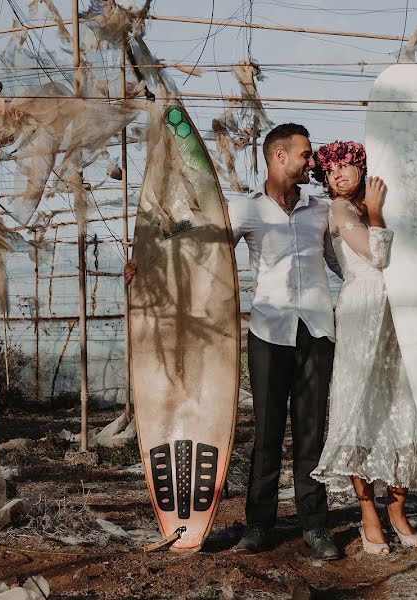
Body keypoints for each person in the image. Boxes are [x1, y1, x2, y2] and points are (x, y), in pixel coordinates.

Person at [126, 123, 343, 560]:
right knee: (265, 433)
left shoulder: (322, 211)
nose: (313, 161)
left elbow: (345, 264)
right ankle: (260, 525)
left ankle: (315, 526)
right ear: (279, 157)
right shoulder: (245, 210)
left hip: (317, 332)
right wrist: (147, 265)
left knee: (310, 433)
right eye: (306, 153)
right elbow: (197, 249)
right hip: (269, 333)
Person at [309, 140, 417, 555]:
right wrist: (375, 216)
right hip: (363, 311)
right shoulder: (341, 210)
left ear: (361, 166)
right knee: (357, 407)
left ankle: (398, 510)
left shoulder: (368, 207)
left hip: (396, 308)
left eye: (345, 165)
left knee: (403, 407)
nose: (338, 174)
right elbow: (377, 255)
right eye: (330, 170)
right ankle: (368, 513)